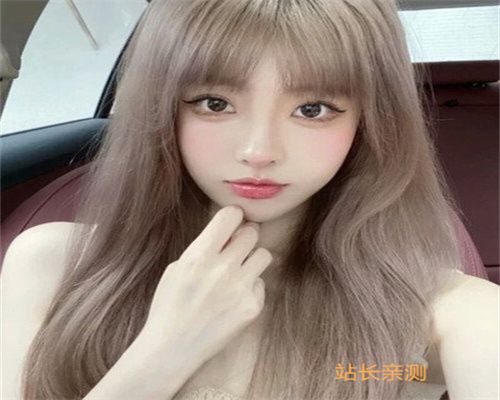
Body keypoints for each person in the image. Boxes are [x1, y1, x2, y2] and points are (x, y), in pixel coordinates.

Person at [1, 0, 497, 399]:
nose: (259, 151)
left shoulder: (452, 314)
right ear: (162, 108)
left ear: (368, 122)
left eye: (313, 109)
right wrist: (162, 354)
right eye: (215, 103)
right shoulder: (50, 264)